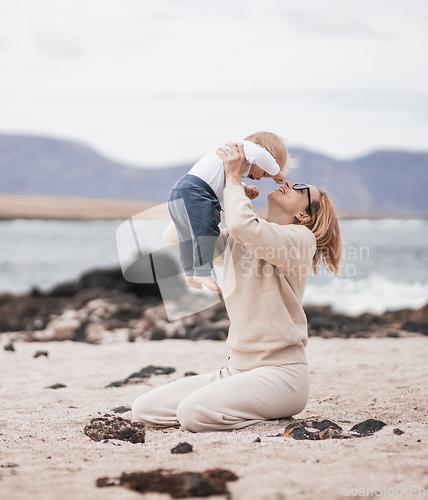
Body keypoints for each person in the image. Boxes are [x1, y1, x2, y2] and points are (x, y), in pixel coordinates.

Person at [132, 141, 341, 432]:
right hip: (237, 369)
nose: (290, 183)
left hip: (281, 376)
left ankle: (265, 416)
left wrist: (232, 179)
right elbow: (175, 235)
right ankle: (243, 407)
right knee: (144, 410)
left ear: (304, 216)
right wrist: (214, 198)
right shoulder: (241, 239)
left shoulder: (299, 240)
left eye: (301, 189)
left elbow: (245, 226)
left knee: (193, 413)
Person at [168, 132, 291, 294]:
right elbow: (261, 155)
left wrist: (244, 188)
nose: (262, 178)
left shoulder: (226, 156)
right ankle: (203, 272)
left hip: (180, 191)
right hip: (197, 193)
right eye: (266, 173)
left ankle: (189, 272)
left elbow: (225, 179)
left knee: (186, 235)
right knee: (206, 231)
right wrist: (277, 173)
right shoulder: (244, 148)